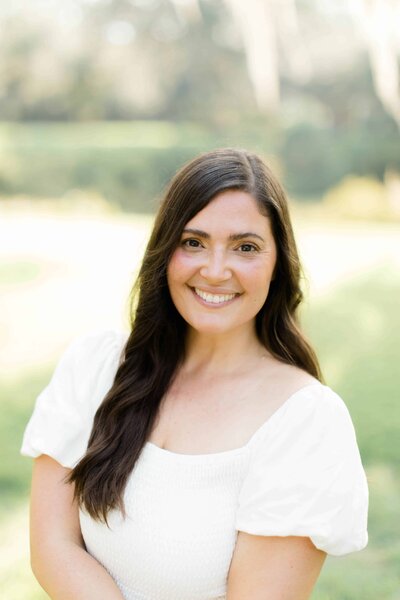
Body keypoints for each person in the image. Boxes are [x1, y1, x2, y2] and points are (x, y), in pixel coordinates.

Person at [21, 148, 368, 600]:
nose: (216, 270)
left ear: (278, 263)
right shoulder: (97, 366)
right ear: (165, 251)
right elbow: (53, 545)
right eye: (193, 242)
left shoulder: (306, 421)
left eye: (245, 247)